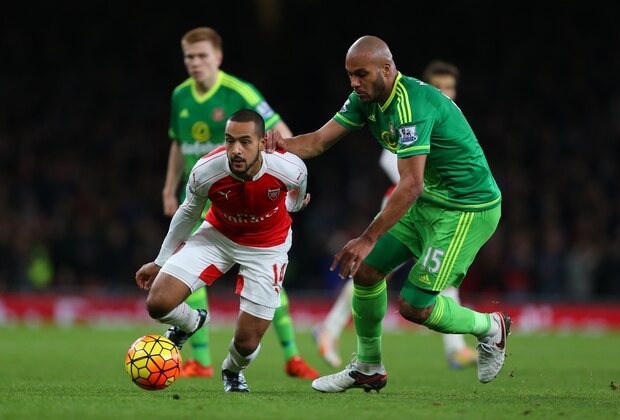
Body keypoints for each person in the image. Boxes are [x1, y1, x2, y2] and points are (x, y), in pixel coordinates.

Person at [266, 36, 510, 392]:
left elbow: (410, 185)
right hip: (430, 201)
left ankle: (492, 327)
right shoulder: (366, 100)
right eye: (349, 75)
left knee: (414, 306)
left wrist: (367, 238)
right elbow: (318, 141)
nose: (353, 83)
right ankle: (368, 367)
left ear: (386, 68)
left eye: (360, 74)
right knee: (366, 273)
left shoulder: (412, 106)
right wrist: (276, 145)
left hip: (465, 208)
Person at [162, 26, 318, 380]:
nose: (195, 63)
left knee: (268, 285)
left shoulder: (239, 93)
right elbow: (178, 143)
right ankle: (200, 360)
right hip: (206, 198)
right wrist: (168, 189)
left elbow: (284, 136)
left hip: (252, 201)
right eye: (189, 57)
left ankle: (291, 354)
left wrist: (278, 167)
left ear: (218, 57)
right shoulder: (180, 96)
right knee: (187, 277)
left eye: (202, 56)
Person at [312, 59, 477, 371]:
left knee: (432, 270)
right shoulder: (409, 111)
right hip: (407, 204)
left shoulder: (441, 117)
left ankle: (454, 347)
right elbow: (391, 163)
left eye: (451, 89)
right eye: (441, 87)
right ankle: (332, 329)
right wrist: (418, 182)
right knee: (375, 271)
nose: (447, 93)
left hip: (431, 204)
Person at [136, 109, 310, 392]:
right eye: (230, 141)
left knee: (247, 342)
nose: (236, 150)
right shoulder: (207, 170)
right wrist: (160, 261)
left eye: (245, 142)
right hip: (218, 236)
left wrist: (293, 205)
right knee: (158, 302)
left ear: (263, 143)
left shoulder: (289, 167)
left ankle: (231, 370)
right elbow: (188, 214)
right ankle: (191, 322)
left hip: (267, 248)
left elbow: (299, 190)